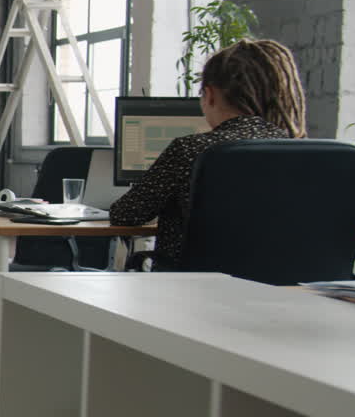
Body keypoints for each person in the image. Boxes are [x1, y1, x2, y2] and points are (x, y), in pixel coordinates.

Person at [109, 38, 307, 270]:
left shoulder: (191, 150)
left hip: (194, 292)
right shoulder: (305, 155)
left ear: (210, 95)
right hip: (289, 292)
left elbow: (124, 215)